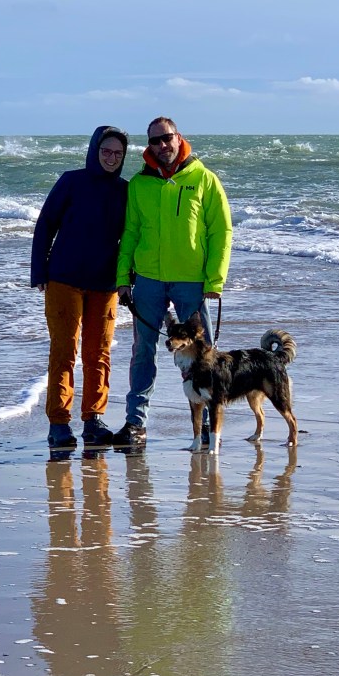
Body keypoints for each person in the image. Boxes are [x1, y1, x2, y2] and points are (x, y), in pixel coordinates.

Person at [113, 117, 232, 447]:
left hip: (192, 283)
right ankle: (136, 423)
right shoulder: (139, 184)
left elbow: (221, 231)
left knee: (202, 355)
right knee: (142, 352)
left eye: (167, 138)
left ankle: (207, 425)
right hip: (148, 280)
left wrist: (215, 279)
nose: (162, 145)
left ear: (179, 138)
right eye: (155, 141)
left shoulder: (204, 179)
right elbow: (131, 233)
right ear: (148, 146)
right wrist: (123, 278)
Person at [31, 126, 128, 450]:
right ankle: (59, 423)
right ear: (94, 150)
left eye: (117, 153)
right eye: (106, 151)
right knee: (64, 351)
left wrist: (130, 280)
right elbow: (45, 224)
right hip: (64, 281)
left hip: (105, 285)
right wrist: (39, 271)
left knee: (98, 353)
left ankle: (93, 421)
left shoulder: (125, 191)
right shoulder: (71, 181)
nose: (111, 158)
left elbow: (131, 240)